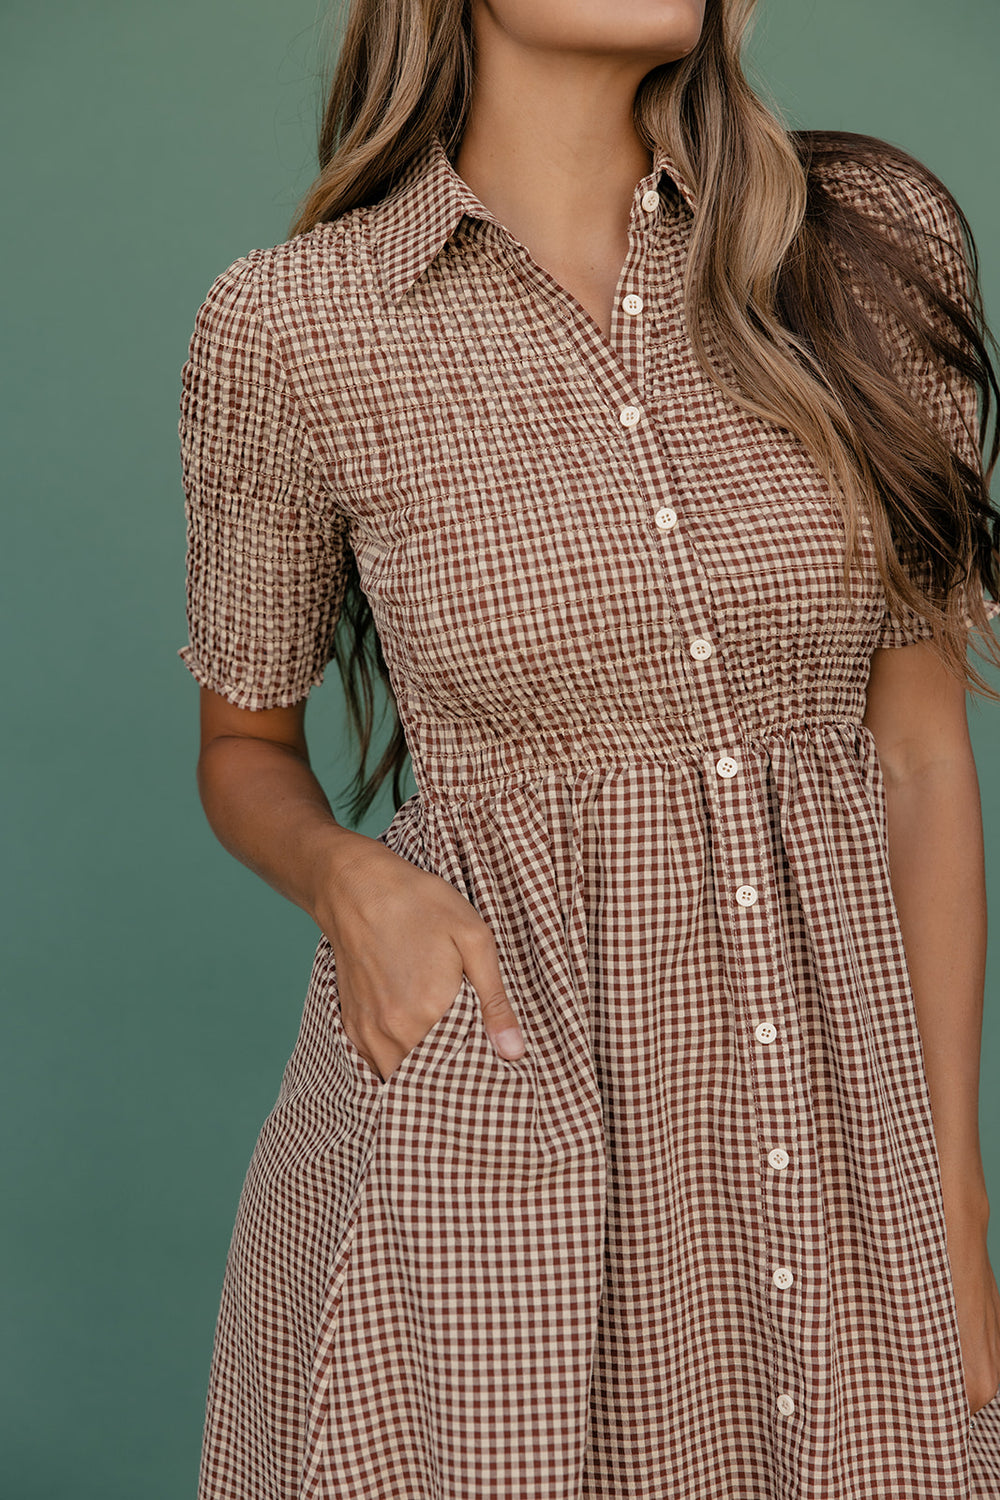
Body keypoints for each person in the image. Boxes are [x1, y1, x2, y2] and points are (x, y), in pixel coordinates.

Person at [177, 0, 1000, 1494]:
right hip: (499, 1108)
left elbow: (923, 755)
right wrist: (350, 882)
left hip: (836, 1136)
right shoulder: (295, 324)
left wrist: (952, 1202)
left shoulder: (869, 245)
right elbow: (242, 745)